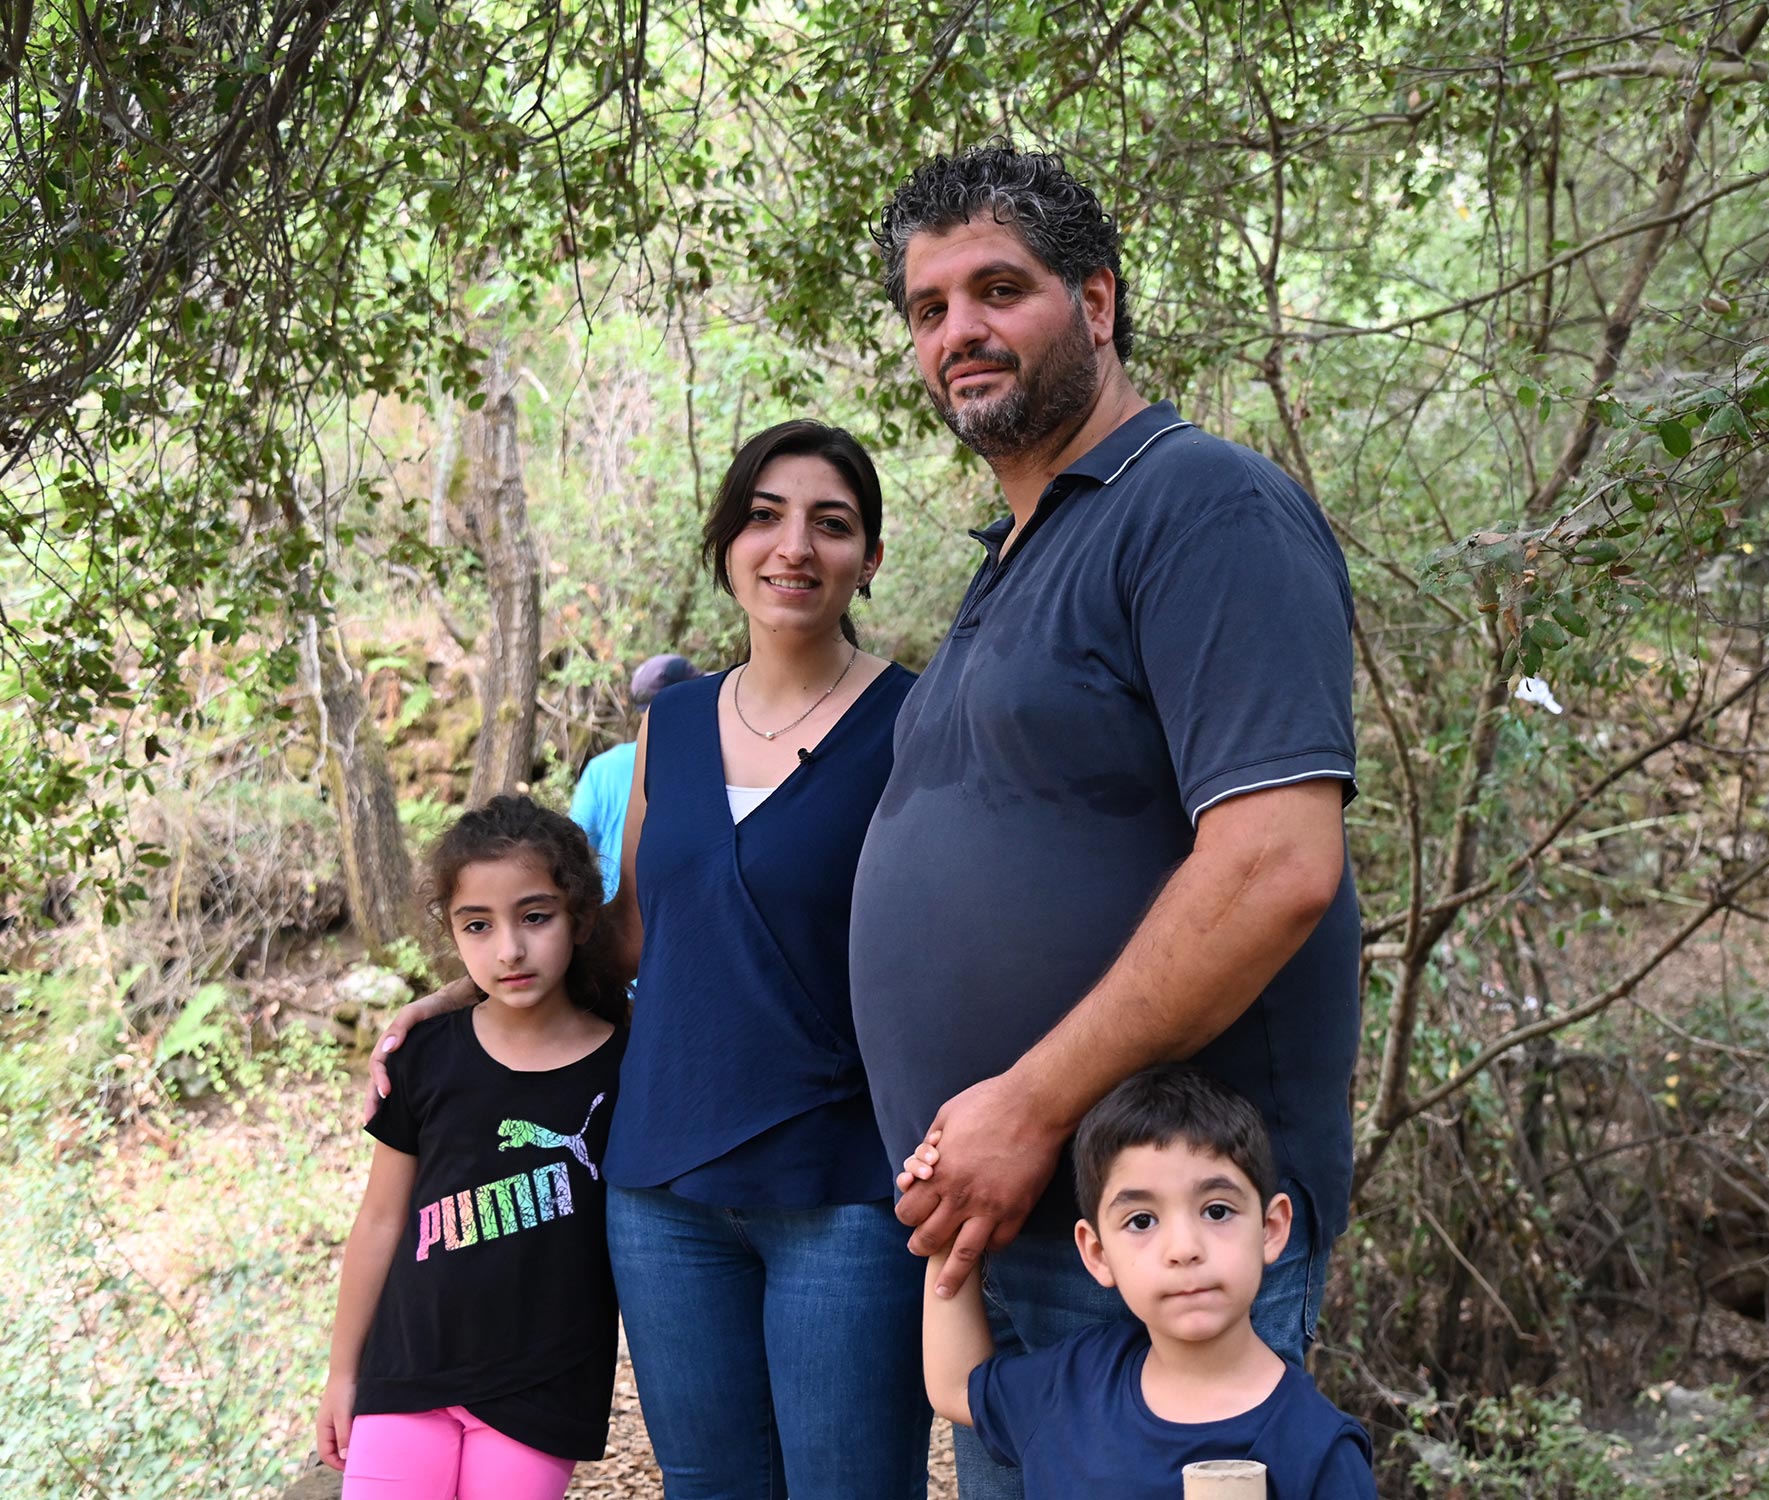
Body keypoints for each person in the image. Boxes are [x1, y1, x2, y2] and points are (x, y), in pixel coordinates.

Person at [852, 144, 1362, 1498]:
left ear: (1097, 299)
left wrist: (1030, 1105)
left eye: (998, 289)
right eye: (929, 307)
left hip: (1159, 1242)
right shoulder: (1018, 553)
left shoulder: (1202, 508)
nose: (959, 331)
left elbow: (1276, 866)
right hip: (1012, 1230)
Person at [370, 420, 929, 1499]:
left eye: (832, 523)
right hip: (664, 1191)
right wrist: (463, 994)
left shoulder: (917, 722)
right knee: (711, 1485)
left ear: (868, 556)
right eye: (764, 516)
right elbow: (629, 935)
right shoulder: (671, 727)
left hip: (843, 1187)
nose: (793, 547)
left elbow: (949, 954)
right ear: (726, 541)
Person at [319, 794, 628, 1500]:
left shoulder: (625, 1066)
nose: (509, 949)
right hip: (408, 1369)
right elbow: (379, 1220)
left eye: (535, 917)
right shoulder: (425, 1058)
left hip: (542, 1387)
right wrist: (343, 1373)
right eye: (478, 926)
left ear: (580, 917)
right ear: (452, 933)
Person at [918, 1066, 1374, 1497]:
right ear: (1097, 1253)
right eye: (1141, 1220)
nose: (1183, 1248)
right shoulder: (1074, 1384)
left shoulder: (1317, 1451)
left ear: (1272, 1228)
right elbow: (956, 1388)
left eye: (1217, 1210)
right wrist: (946, 1220)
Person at [570, 653, 697, 902]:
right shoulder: (697, 764)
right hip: (675, 914)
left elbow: (573, 849)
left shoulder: (601, 769)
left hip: (614, 916)